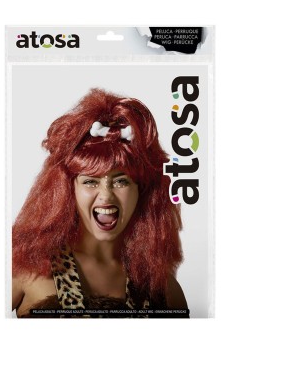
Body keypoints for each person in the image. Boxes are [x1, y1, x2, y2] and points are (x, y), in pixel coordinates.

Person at [12, 88, 188, 318]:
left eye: (121, 181)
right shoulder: (25, 268)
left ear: (141, 191)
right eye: (90, 181)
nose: (106, 195)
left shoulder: (162, 287)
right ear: (68, 190)